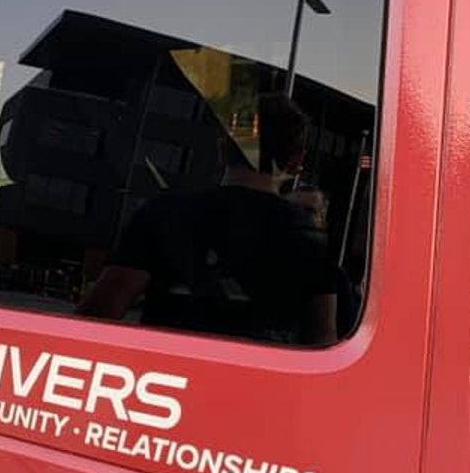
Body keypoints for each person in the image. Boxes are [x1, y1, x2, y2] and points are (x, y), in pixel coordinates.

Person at [78, 93, 339, 346]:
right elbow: (322, 340)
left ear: (222, 148)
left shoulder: (163, 214)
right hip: (256, 386)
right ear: (295, 162)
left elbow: (99, 313)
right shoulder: (311, 240)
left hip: (167, 375)